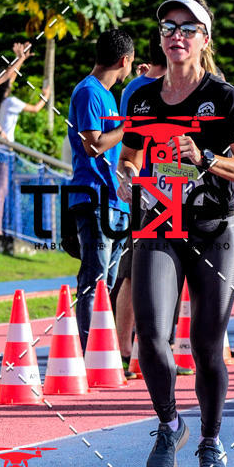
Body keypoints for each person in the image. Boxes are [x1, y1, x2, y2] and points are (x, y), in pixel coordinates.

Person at [118, 0, 234, 467]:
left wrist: (204, 158)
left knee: (206, 343)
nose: (175, 35)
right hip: (158, 225)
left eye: (187, 28)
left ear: (204, 39)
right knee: (153, 338)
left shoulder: (224, 98)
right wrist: (127, 170)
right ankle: (168, 423)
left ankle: (210, 438)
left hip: (213, 230)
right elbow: (133, 152)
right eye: (168, 27)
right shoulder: (140, 96)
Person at [68, 29, 134, 351]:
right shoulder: (89, 92)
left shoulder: (107, 96)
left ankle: (99, 351)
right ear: (124, 60)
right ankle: (86, 351)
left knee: (108, 281)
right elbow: (94, 145)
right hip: (94, 196)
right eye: (132, 64)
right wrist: (128, 127)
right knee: (95, 280)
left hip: (114, 198)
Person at [113, 31, 168, 377]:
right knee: (137, 273)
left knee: (144, 274)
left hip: (163, 189)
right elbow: (130, 148)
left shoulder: (135, 87)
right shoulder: (141, 91)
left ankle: (134, 349)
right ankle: (128, 350)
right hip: (151, 191)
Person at [0, 82, 51, 234]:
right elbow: (36, 108)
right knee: (1, 191)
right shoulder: (11, 102)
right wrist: (46, 95)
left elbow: (8, 78)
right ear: (7, 90)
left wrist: (20, 60)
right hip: (4, 151)